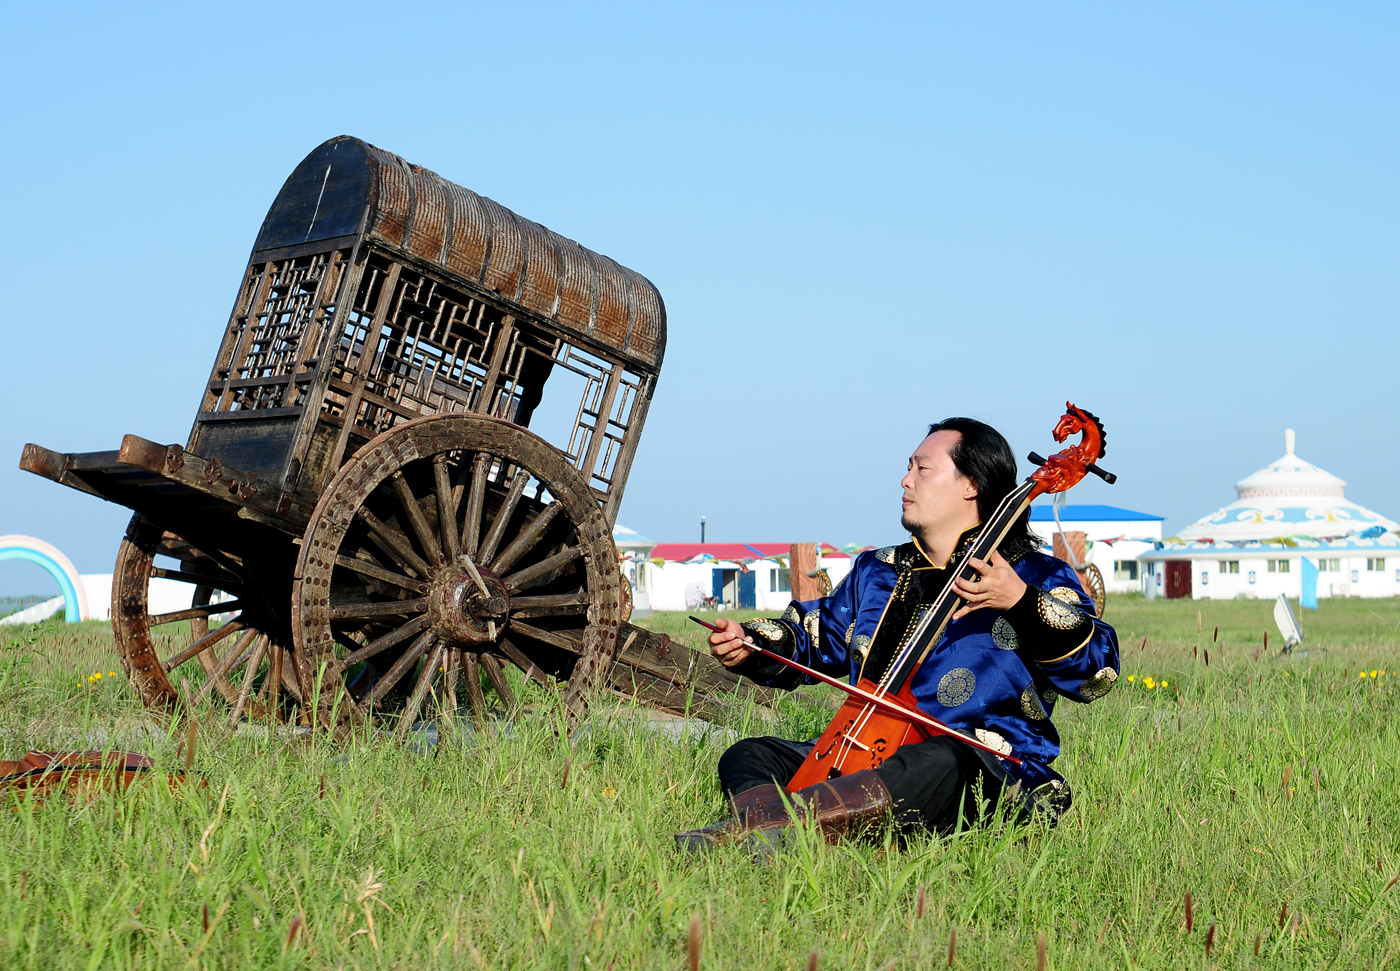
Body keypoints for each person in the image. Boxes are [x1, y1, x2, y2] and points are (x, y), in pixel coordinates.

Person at [675, 418, 1120, 851]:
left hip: (983, 768)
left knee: (942, 762)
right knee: (751, 754)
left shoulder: (1034, 574)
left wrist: (1021, 602)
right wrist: (750, 644)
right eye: (909, 467)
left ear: (971, 485)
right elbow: (816, 636)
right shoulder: (880, 570)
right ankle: (795, 833)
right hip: (868, 751)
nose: (905, 481)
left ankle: (766, 831)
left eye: (922, 469)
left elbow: (1097, 671)